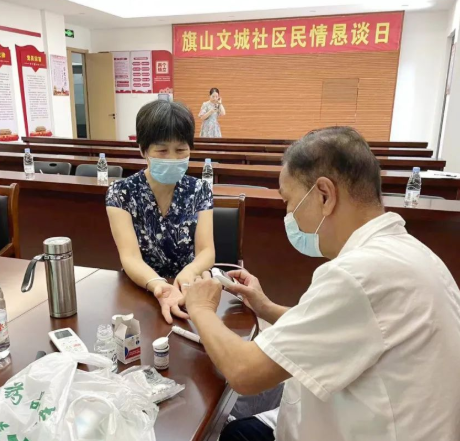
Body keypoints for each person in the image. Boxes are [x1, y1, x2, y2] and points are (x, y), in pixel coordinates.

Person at [185, 127, 460, 441]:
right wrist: (267, 307)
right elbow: (344, 325)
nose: (289, 215)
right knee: (242, 432)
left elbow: (244, 372)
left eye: (289, 202)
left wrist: (201, 308)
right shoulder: (409, 252)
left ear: (324, 195)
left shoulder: (357, 274)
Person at [106, 100, 215, 324]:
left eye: (181, 150)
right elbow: (130, 257)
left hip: (188, 289)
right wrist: (157, 285)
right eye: (162, 150)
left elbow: (206, 251)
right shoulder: (120, 193)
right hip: (141, 289)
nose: (173, 158)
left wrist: (190, 271)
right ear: (143, 150)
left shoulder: (199, 190)